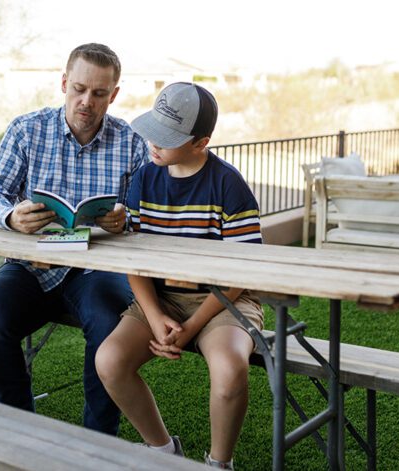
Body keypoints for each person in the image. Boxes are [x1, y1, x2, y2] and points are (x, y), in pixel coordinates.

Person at [0, 43, 148, 435]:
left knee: (108, 328)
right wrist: (10, 216)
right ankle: (21, 434)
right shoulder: (27, 130)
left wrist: (126, 218)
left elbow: (144, 212)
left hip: (95, 268)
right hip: (32, 265)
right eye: (79, 89)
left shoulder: (131, 142)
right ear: (64, 83)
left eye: (99, 93)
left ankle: (98, 446)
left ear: (114, 95)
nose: (87, 101)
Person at [95, 82, 263, 469]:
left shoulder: (228, 184)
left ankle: (219, 464)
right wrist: (154, 317)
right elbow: (135, 260)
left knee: (230, 369)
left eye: (166, 137)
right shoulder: (143, 178)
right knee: (110, 360)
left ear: (200, 142)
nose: (152, 143)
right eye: (152, 129)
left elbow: (240, 271)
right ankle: (164, 451)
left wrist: (191, 328)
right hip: (159, 296)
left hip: (223, 299)